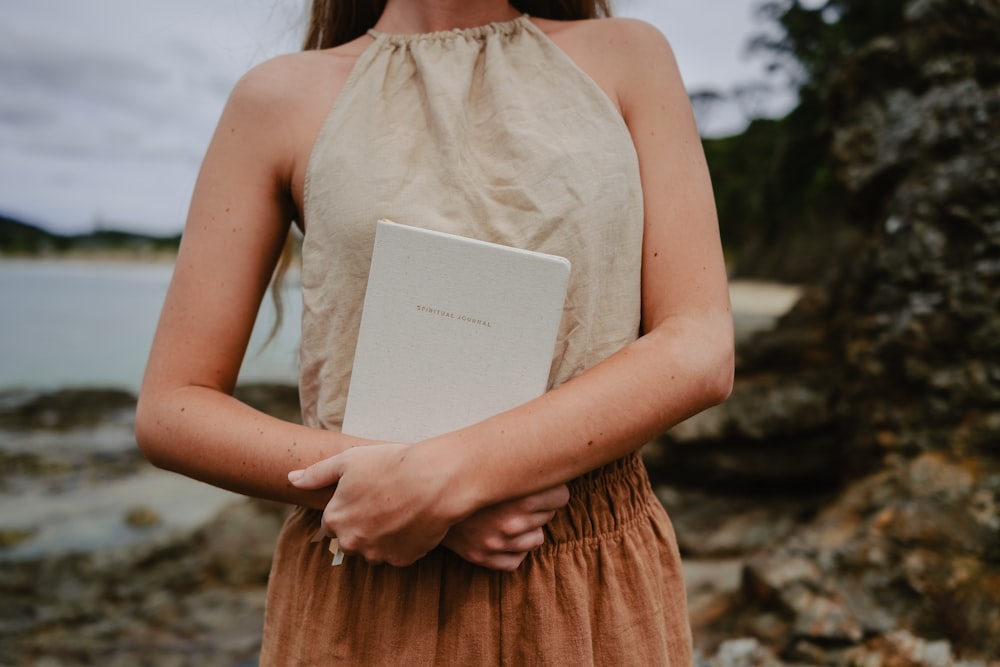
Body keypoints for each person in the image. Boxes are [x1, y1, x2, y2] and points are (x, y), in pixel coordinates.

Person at [136, 0, 734, 663]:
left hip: (585, 570)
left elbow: (699, 344)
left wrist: (447, 479)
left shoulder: (629, 57)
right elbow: (173, 406)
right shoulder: (277, 98)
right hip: (367, 574)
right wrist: (395, 490)